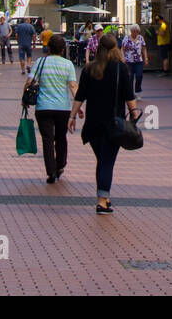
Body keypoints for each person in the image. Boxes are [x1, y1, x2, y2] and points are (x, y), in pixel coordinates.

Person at [69, 34, 138, 214]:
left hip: (92, 125)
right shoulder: (120, 69)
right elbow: (129, 96)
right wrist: (135, 114)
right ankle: (101, 201)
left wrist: (72, 116)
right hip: (113, 125)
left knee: (103, 161)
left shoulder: (89, 68)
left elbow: (80, 95)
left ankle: (105, 198)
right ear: (115, 48)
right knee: (106, 162)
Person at [29, 34, 78, 184]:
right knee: (61, 138)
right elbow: (73, 86)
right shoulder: (68, 64)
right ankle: (60, 165)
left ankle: (50, 171)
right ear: (63, 50)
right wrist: (77, 105)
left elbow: (30, 81)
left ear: (48, 48)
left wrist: (24, 99)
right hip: (63, 108)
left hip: (43, 107)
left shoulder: (40, 62)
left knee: (47, 140)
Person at [121, 25, 149, 97]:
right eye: (132, 31)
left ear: (137, 31)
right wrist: (123, 57)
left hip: (139, 61)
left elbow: (144, 48)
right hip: (129, 61)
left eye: (135, 31)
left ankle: (138, 91)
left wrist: (146, 58)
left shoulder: (140, 38)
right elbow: (122, 49)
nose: (134, 32)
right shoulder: (126, 38)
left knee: (139, 76)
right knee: (130, 77)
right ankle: (130, 93)